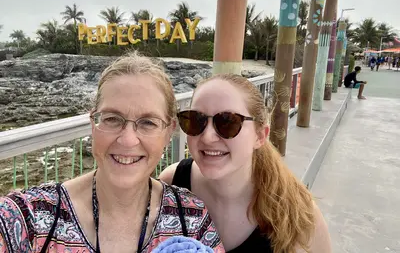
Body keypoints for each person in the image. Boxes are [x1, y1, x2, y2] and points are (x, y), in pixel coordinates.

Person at [0, 52, 224, 253]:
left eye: (147, 122)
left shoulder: (191, 218)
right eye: (112, 119)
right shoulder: (30, 218)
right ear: (93, 123)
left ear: (168, 132)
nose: (127, 140)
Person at [159, 74, 332, 253]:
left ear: (260, 136)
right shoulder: (172, 182)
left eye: (228, 122)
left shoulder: (297, 215)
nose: (208, 137)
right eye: (196, 120)